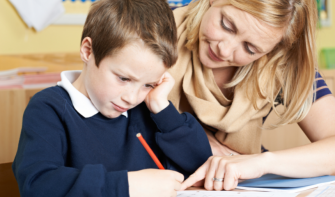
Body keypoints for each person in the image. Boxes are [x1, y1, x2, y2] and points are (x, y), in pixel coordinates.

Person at [12, 0, 212, 196]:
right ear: (88, 51)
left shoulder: (147, 111)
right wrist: (127, 186)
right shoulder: (48, 109)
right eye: (123, 78)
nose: (132, 98)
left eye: (148, 84)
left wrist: (162, 108)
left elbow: (201, 166)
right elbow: (37, 184)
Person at [166, 0, 335, 191]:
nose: (225, 50)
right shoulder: (153, 26)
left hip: (236, 186)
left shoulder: (283, 65)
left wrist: (263, 163)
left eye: (250, 49)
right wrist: (196, 137)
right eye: (226, 25)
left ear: (274, 50)